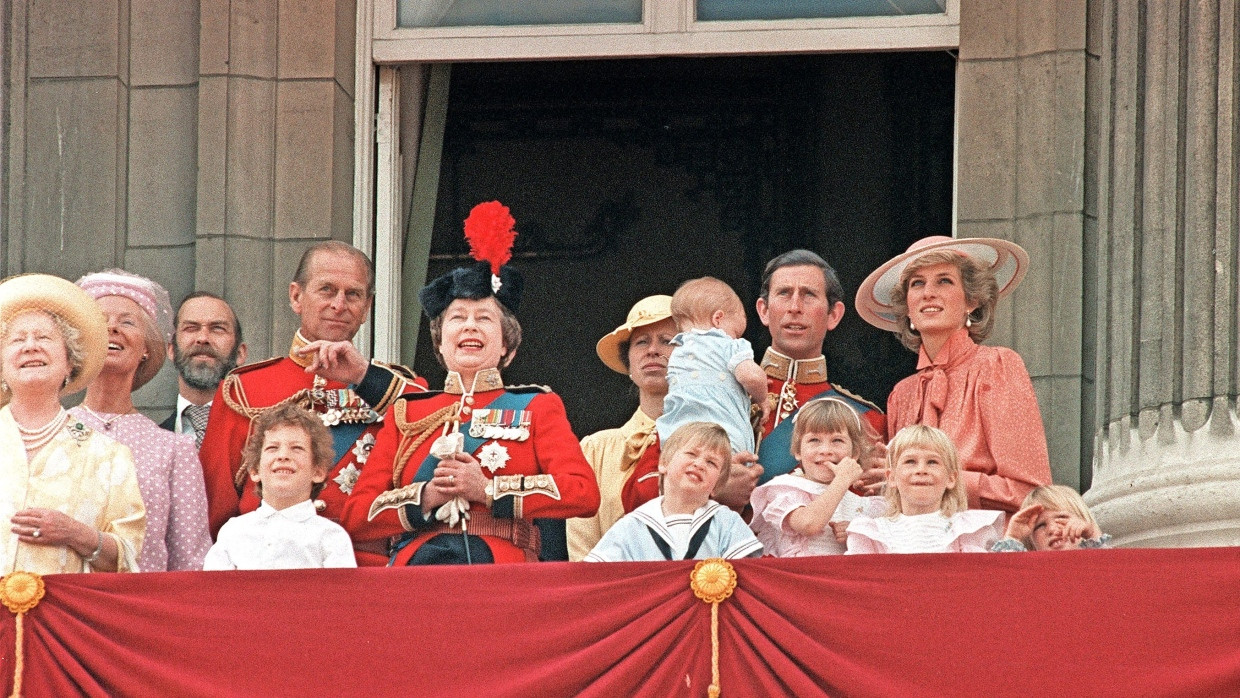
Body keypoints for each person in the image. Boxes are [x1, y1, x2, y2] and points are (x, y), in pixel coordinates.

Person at [340, 201, 600, 565]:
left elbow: (583, 493)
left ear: (507, 344)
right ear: (440, 344)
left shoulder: (537, 406)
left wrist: (489, 490)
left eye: (485, 319)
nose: (470, 326)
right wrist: (427, 496)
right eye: (457, 318)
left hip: (503, 572)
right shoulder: (407, 412)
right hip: (415, 570)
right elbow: (356, 516)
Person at [198, 240, 424, 550]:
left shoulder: (393, 387)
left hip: (367, 570)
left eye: (353, 294)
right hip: (267, 567)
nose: (339, 305)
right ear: (296, 296)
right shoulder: (245, 389)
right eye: (327, 290)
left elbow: (437, 420)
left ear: (367, 308)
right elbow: (216, 509)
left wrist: (364, 377)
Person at [855, 236, 1052, 512]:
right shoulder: (902, 394)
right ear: (907, 306)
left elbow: (1031, 492)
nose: (928, 293)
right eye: (917, 284)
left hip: (983, 545)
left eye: (944, 281)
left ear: (971, 300)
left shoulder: (997, 366)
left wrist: (943, 484)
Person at [0, 273, 146, 573]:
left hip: (65, 617)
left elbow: (128, 560)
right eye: (17, 339)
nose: (30, 347)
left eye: (44, 338)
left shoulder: (108, 456)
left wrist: (76, 534)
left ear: (70, 362)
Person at [72, 270, 213, 572]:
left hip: (141, 610)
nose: (112, 328)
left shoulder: (174, 449)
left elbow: (190, 561)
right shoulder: (48, 433)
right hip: (61, 609)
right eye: (100, 320)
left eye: (127, 321)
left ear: (146, 348)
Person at [754, 250, 886, 492]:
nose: (794, 307)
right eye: (784, 293)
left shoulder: (867, 420)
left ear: (833, 315)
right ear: (763, 310)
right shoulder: (726, 394)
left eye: (809, 295)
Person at [566, 295, 676, 561]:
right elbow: (583, 549)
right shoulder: (596, 448)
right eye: (641, 342)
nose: (653, 350)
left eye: (667, 341)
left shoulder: (716, 438)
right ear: (628, 363)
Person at [204, 404, 356, 570]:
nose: (283, 456)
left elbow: (342, 595)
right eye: (272, 448)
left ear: (318, 472)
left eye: (297, 448)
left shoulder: (331, 538)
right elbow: (214, 592)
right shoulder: (233, 532)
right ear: (255, 470)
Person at [585, 422, 762, 562]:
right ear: (664, 463)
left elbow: (746, 575)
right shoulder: (632, 525)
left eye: (711, 463)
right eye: (692, 454)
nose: (699, 464)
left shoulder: (726, 523)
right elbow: (595, 576)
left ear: (717, 486)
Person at [749, 398, 884, 557]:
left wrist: (857, 535)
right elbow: (808, 524)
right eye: (814, 440)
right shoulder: (785, 488)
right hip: (797, 578)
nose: (825, 450)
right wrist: (842, 481)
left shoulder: (862, 504)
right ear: (798, 451)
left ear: (854, 453)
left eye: (837, 440)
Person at [846, 425, 1003, 554]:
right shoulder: (872, 533)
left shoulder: (968, 530)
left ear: (951, 478)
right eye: (910, 461)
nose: (921, 470)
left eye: (932, 462)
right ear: (891, 477)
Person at [655, 277, 768, 455]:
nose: (737, 337)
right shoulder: (729, 345)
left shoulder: (676, 354)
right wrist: (762, 399)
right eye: (736, 332)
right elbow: (751, 376)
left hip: (677, 445)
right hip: (723, 441)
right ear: (718, 319)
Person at [160, 292, 248, 446]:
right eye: (191, 328)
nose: (203, 338)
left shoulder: (262, 436)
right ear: (171, 350)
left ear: (240, 353)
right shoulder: (149, 444)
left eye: (217, 329)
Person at [991, 485, 1111, 552]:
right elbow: (1001, 578)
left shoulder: (1092, 563)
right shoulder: (1030, 572)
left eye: (1062, 517)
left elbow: (1112, 573)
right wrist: (1013, 537)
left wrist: (1092, 534)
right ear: (1032, 544)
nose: (1053, 529)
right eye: (1040, 526)